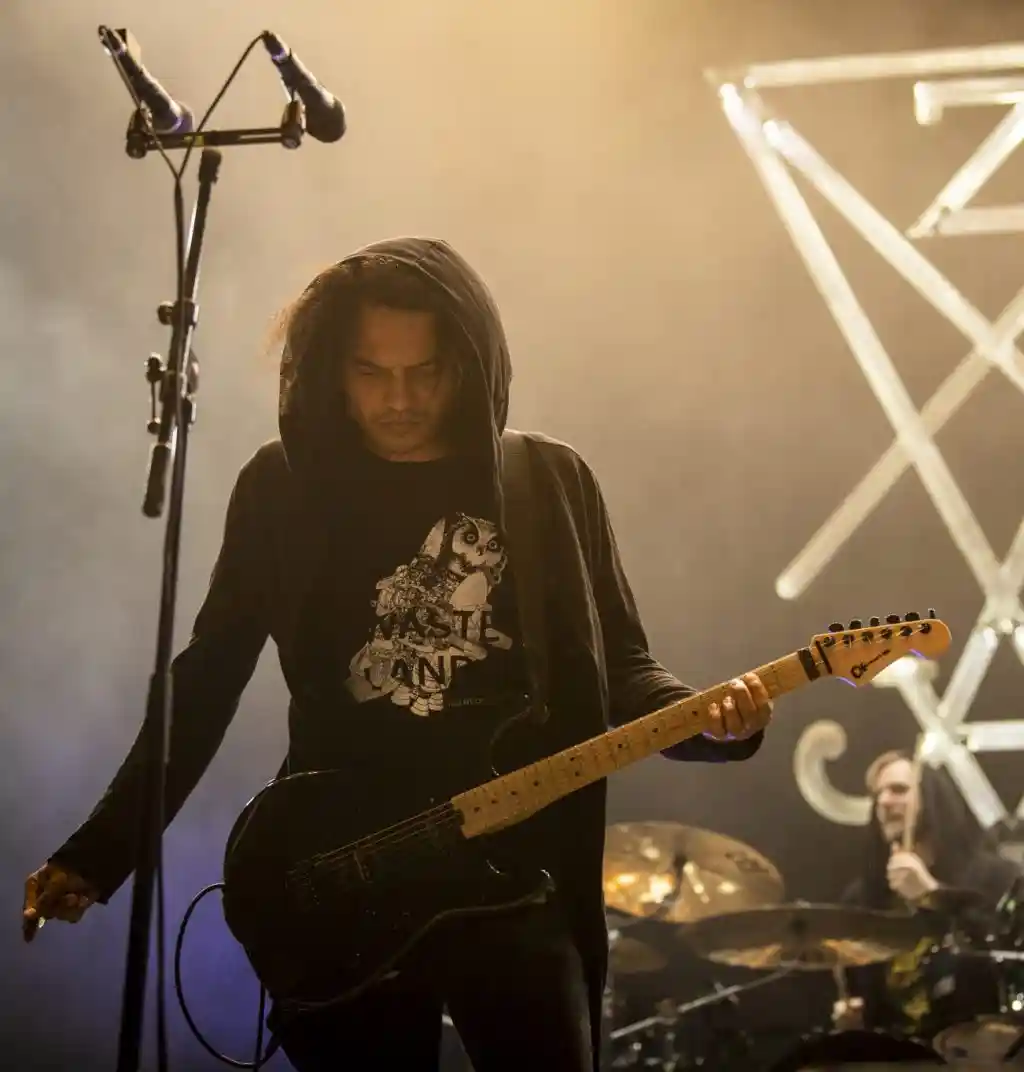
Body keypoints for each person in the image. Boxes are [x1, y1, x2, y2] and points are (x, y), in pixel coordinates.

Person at [22, 238, 774, 1072]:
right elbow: (206, 679)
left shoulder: (547, 480)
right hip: (346, 874)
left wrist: (713, 722)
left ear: (470, 365)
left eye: (426, 372)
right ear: (330, 371)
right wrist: (99, 851)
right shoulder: (282, 485)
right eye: (372, 373)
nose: (401, 398)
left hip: (516, 873)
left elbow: (625, 667)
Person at [833, 748, 1022, 1043]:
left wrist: (933, 894)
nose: (884, 801)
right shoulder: (862, 898)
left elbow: (1005, 957)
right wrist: (853, 1016)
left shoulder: (995, 877)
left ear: (933, 800)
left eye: (899, 790)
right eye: (878, 794)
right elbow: (862, 994)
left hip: (974, 1049)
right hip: (895, 1054)